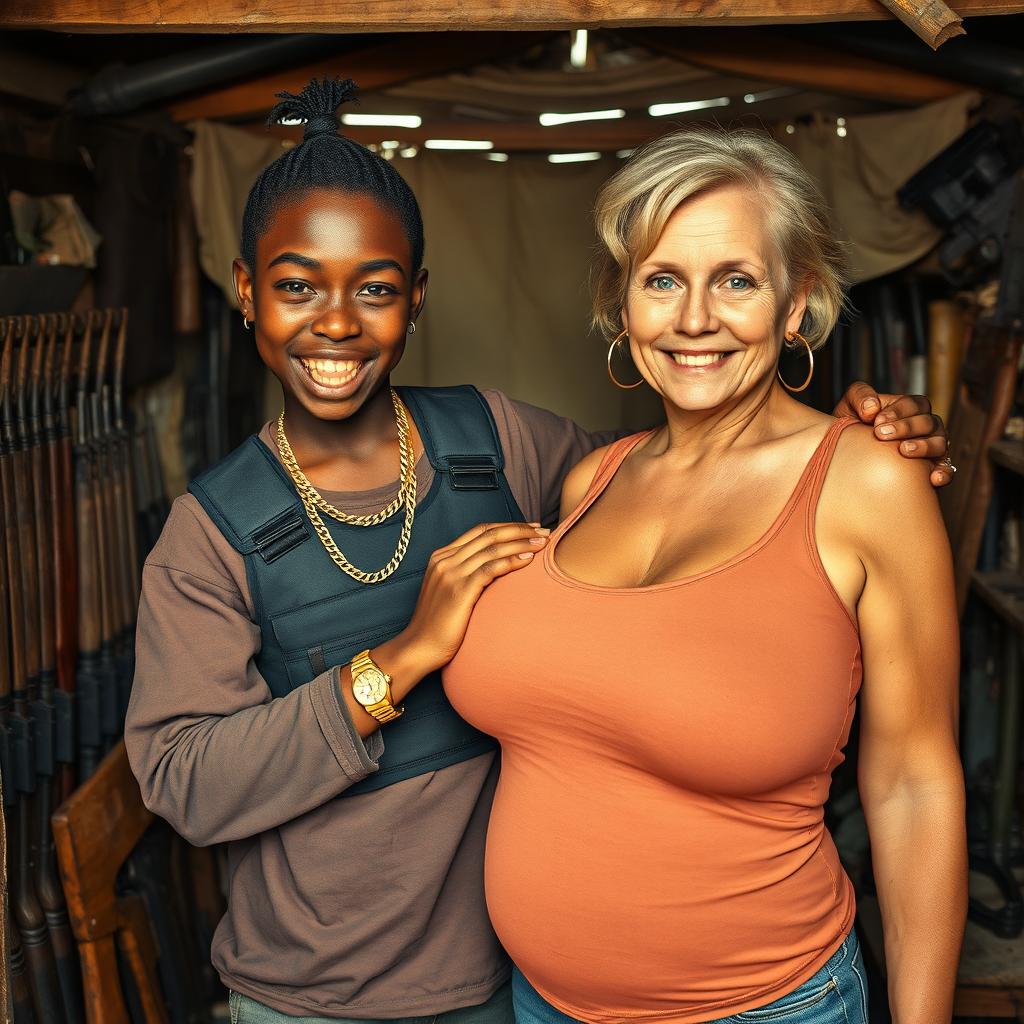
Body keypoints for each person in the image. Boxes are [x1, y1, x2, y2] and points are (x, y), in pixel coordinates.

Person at [126, 80, 953, 1024]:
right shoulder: (217, 534)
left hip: (598, 991)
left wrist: (879, 428)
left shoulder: (515, 450)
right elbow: (183, 784)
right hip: (343, 995)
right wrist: (396, 662)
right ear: (246, 291)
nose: (338, 322)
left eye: (734, 278)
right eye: (295, 286)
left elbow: (903, 761)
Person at [443, 126, 967, 1024]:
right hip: (544, 1004)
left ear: (797, 304)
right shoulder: (592, 479)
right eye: (661, 281)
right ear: (624, 306)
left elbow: (915, 784)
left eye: (736, 280)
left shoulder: (867, 482)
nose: (693, 319)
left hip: (765, 1005)